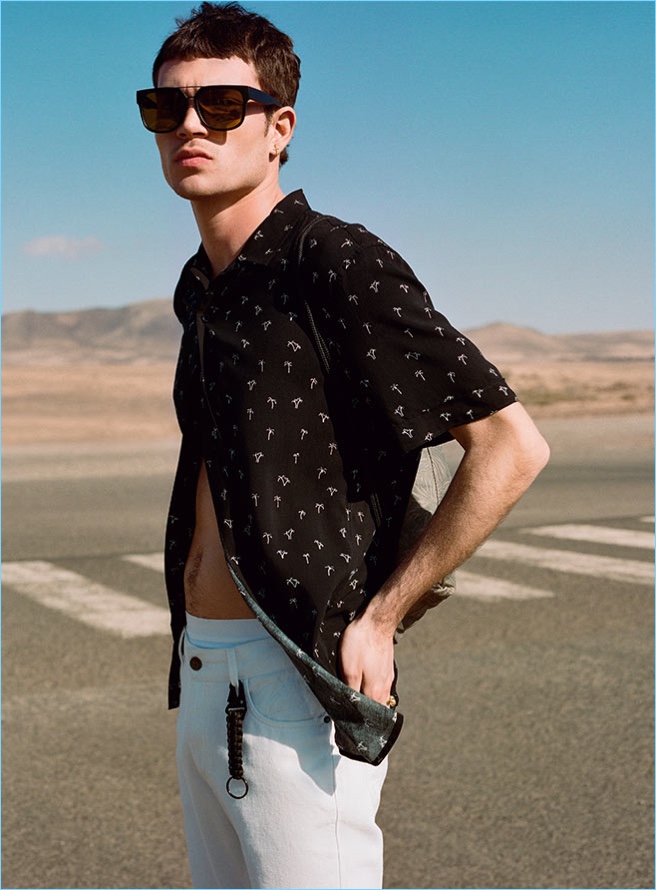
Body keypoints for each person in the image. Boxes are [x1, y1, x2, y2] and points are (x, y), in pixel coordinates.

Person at [136, 3, 550, 887]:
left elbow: (510, 446)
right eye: (166, 107)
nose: (189, 127)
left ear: (280, 128)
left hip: (295, 683)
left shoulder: (333, 260)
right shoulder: (201, 288)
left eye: (221, 105)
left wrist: (384, 615)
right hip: (203, 672)